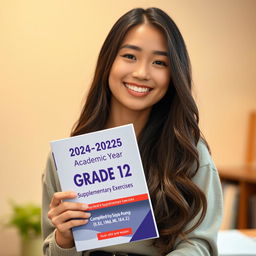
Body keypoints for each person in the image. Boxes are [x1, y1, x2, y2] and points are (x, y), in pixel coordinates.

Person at [42, 7, 223, 256]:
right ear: (108, 61)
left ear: (174, 75)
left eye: (160, 62)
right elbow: (50, 248)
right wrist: (64, 239)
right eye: (130, 56)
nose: (141, 73)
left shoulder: (190, 153)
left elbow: (199, 244)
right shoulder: (67, 159)